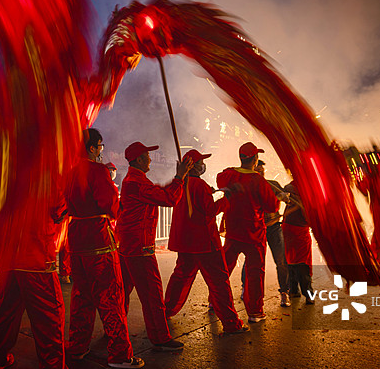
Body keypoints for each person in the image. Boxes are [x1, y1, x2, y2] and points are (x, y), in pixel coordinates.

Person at [64, 128, 143, 369]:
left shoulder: (67, 172)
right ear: (92, 147)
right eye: (100, 146)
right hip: (98, 240)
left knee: (81, 298)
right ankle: (120, 354)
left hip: (76, 240)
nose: (101, 151)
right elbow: (110, 205)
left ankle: (77, 347)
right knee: (111, 298)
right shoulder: (97, 171)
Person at [0, 201, 81, 369]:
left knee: (6, 310)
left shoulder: (7, 174)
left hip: (8, 253)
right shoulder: (47, 177)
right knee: (50, 314)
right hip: (35, 254)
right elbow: (59, 209)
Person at [116, 142, 191, 351]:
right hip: (139, 246)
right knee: (152, 293)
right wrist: (179, 177)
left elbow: (157, 193)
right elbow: (168, 198)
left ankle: (115, 329)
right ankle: (160, 337)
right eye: (147, 156)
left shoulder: (134, 180)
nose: (150, 159)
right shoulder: (136, 182)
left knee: (122, 291)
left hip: (129, 244)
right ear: (139, 159)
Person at [164, 149, 246, 334]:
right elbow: (209, 212)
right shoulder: (198, 185)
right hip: (205, 243)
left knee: (180, 279)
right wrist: (226, 200)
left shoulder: (180, 183)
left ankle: (166, 311)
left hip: (186, 243)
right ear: (193, 166)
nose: (203, 165)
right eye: (201, 162)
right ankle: (231, 323)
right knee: (219, 283)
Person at [216, 142, 282, 322]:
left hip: (233, 231)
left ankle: (214, 301)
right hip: (254, 233)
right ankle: (254, 312)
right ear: (255, 159)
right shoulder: (259, 181)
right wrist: (279, 199)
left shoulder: (229, 175)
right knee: (255, 273)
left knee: (224, 268)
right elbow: (271, 206)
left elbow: (220, 179)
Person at [255, 160, 291, 307]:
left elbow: (287, 199)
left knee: (281, 261)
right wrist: (278, 198)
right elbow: (264, 205)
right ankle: (248, 290)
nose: (261, 174)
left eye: (262, 171)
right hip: (257, 228)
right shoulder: (249, 187)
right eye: (258, 171)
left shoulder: (272, 184)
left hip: (274, 227)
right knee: (253, 262)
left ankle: (284, 292)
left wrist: (286, 195)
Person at [283, 180, 314, 303]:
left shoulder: (309, 189)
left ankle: (300, 292)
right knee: (297, 262)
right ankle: (299, 292)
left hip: (295, 230)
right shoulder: (300, 184)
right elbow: (287, 188)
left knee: (296, 262)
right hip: (293, 230)